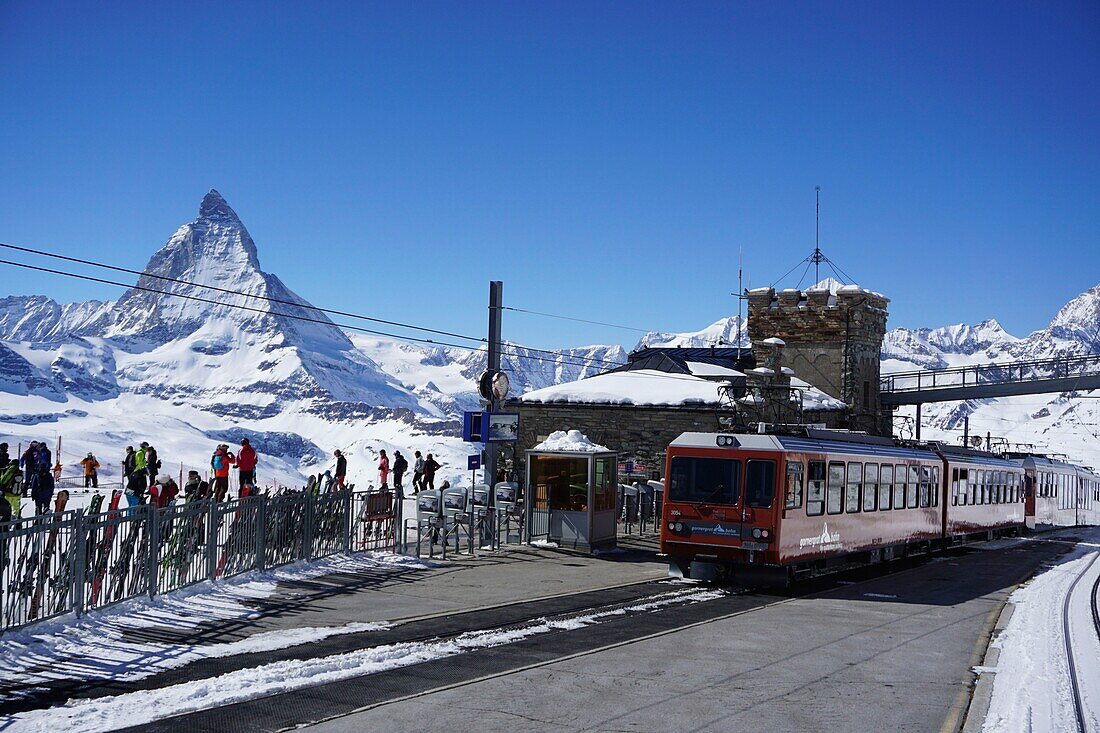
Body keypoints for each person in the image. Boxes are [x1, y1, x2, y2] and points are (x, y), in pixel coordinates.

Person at [31, 441, 54, 515]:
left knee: (38, 507)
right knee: (45, 505)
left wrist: (33, 494)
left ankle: (38, 519)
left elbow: (33, 485)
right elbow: (52, 485)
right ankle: (44, 516)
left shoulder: (37, 475)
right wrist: (50, 494)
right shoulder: (49, 475)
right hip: (46, 493)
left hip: (39, 493)